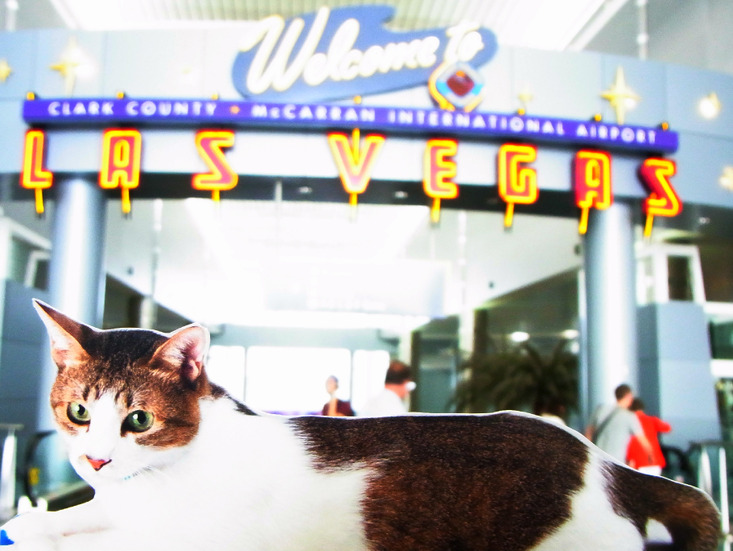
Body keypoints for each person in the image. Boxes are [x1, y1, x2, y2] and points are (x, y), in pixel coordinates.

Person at [585, 383, 655, 465]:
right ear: (628, 396)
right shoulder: (630, 416)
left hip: (597, 459)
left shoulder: (600, 409)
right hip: (616, 463)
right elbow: (643, 440)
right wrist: (651, 455)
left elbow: (588, 433)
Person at [626, 397, 671, 475]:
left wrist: (629, 459)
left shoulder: (630, 423)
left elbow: (630, 444)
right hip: (655, 462)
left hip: (638, 462)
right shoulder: (652, 420)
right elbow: (667, 428)